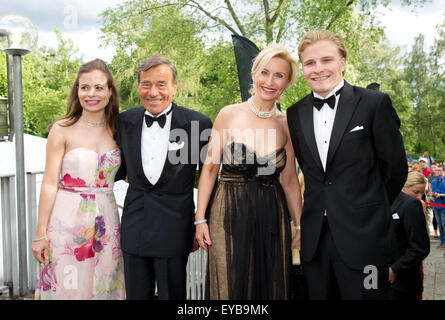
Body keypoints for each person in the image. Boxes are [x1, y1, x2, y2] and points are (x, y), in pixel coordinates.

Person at [286, 29, 407, 299]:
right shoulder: (295, 113)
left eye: (326, 60)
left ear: (342, 62)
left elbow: (395, 170)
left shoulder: (375, 104)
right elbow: (309, 170)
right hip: (316, 244)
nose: (318, 69)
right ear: (303, 68)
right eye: (310, 63)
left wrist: (366, 208)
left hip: (367, 241)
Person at [194, 43, 302, 299]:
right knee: (229, 285)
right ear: (254, 74)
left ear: (287, 83)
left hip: (271, 215)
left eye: (279, 75)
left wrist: (300, 227)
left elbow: (288, 181)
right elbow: (209, 170)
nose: (270, 81)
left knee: (270, 284)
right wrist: (200, 219)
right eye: (265, 72)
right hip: (228, 212)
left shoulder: (287, 124)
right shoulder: (228, 114)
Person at [114, 55, 212, 300]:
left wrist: (201, 221)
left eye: (161, 84)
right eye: (146, 84)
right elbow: (117, 170)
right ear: (138, 87)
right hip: (134, 226)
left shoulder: (196, 124)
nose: (153, 92)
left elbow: (208, 176)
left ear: (174, 87)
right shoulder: (125, 121)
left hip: (175, 229)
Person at [31, 59, 125, 299]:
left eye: (98, 87)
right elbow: (50, 183)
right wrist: (40, 234)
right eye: (84, 87)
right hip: (67, 221)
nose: (91, 94)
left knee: (104, 285)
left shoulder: (120, 130)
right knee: (68, 285)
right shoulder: (62, 129)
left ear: (110, 91)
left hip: (107, 223)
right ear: (77, 91)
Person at [389, 171, 430, 300]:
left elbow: (420, 247)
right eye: (416, 192)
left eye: (422, 193)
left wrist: (395, 269)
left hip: (404, 278)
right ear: (403, 187)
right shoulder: (386, 200)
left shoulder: (412, 205)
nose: (419, 197)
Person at [431, 165, 445, 249]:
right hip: (436, 205)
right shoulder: (434, 181)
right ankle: (442, 241)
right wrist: (432, 194)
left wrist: (441, 195)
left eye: (440, 170)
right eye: (437, 170)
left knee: (444, 224)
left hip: (443, 205)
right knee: (439, 224)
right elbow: (432, 192)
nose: (438, 172)